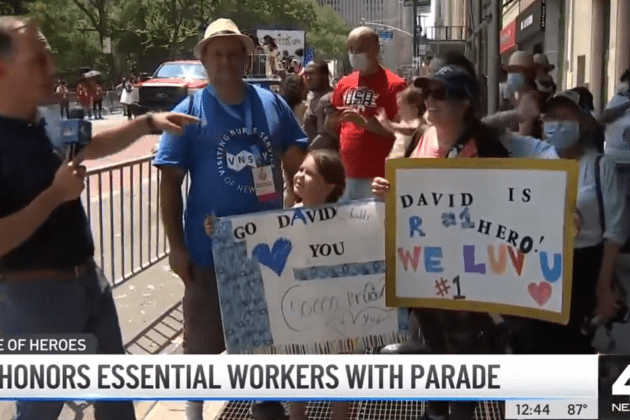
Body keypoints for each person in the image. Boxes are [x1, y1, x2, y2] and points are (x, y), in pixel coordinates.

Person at [0, 16, 197, 420]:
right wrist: (54, 196)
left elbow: (91, 143)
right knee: (39, 413)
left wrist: (146, 124)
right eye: (38, 59)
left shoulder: (45, 120)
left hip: (90, 284)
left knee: (115, 401)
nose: (51, 68)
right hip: (34, 303)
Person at [153, 18, 307, 420]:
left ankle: (264, 402)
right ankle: (194, 411)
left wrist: (304, 206)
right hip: (208, 253)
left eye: (233, 52)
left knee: (264, 337)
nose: (225, 60)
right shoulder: (186, 112)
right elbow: (170, 184)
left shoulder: (270, 104)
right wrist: (176, 248)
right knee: (202, 341)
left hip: (268, 251)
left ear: (246, 57)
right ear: (203, 59)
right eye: (216, 53)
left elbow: (297, 162)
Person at [371, 65, 511, 420]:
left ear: (466, 102)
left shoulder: (488, 145)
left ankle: (462, 412)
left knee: (463, 346)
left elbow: (513, 203)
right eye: (428, 94)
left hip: (470, 266)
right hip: (423, 263)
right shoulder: (421, 138)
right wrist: (387, 190)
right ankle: (435, 410)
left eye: (442, 94)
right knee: (432, 340)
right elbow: (404, 190)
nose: (431, 102)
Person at [506, 90, 629, 355]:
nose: (556, 123)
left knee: (570, 348)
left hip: (584, 270)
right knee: (531, 345)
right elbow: (482, 130)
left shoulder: (600, 166)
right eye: (550, 117)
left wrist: (604, 286)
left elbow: (615, 232)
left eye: (565, 117)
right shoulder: (535, 153)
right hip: (538, 266)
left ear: (583, 122)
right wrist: (519, 114)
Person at [332, 26, 406, 200]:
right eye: (350, 49)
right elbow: (334, 124)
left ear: (375, 49)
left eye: (359, 50)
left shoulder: (395, 85)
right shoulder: (344, 84)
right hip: (346, 176)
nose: (353, 54)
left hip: (378, 179)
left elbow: (406, 134)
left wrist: (368, 125)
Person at [504, 50, 543, 138]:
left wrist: (502, 135)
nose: (510, 75)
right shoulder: (524, 96)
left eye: (515, 71)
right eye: (510, 71)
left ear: (528, 74)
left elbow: (523, 136)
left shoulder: (527, 99)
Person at [302, 60, 333, 143]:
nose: (308, 78)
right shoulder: (312, 97)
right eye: (305, 74)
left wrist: (309, 153)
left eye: (311, 74)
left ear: (324, 75)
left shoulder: (329, 100)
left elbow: (325, 137)